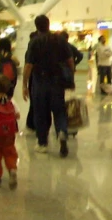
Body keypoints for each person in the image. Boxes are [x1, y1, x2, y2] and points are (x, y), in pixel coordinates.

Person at [23, 15, 74, 157]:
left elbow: (28, 66)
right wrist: (71, 78)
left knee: (40, 112)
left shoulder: (34, 42)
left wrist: (24, 84)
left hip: (40, 81)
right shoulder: (60, 40)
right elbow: (70, 61)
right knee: (59, 110)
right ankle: (62, 131)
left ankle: (42, 143)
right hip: (57, 82)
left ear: (36, 26)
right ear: (48, 24)